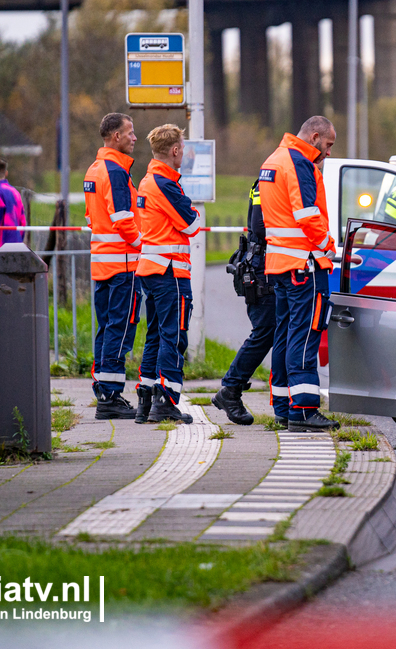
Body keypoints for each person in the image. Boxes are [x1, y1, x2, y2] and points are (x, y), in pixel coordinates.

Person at [260, 116, 340, 432]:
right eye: (329, 145)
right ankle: (304, 410)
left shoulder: (275, 159)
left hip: (280, 265)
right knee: (306, 333)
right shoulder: (300, 162)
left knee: (285, 334)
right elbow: (307, 215)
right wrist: (329, 246)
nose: (329, 153)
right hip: (304, 265)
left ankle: (283, 406)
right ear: (315, 136)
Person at [136, 124, 200, 425]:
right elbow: (190, 223)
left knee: (156, 337)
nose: (184, 152)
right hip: (170, 271)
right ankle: (166, 402)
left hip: (153, 269)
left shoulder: (149, 180)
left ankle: (146, 402)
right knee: (173, 338)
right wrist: (195, 213)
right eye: (183, 147)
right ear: (175, 150)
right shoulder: (164, 182)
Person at [83, 113, 143, 420]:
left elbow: (93, 219)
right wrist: (145, 244)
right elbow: (123, 220)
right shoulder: (116, 171)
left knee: (106, 328)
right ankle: (110, 396)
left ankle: (103, 389)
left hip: (102, 264)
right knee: (120, 329)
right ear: (115, 137)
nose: (134, 138)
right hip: (122, 264)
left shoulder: (94, 169)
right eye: (129, 133)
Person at [211, 180, 267, 426]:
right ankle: (230, 390)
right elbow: (260, 226)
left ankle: (232, 389)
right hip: (262, 267)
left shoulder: (267, 178)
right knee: (266, 330)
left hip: (265, 264)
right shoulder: (269, 179)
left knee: (272, 330)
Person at [0, 156, 27, 255]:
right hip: (17, 246)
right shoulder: (15, 192)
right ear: (6, 173)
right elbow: (23, 222)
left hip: (1, 250)